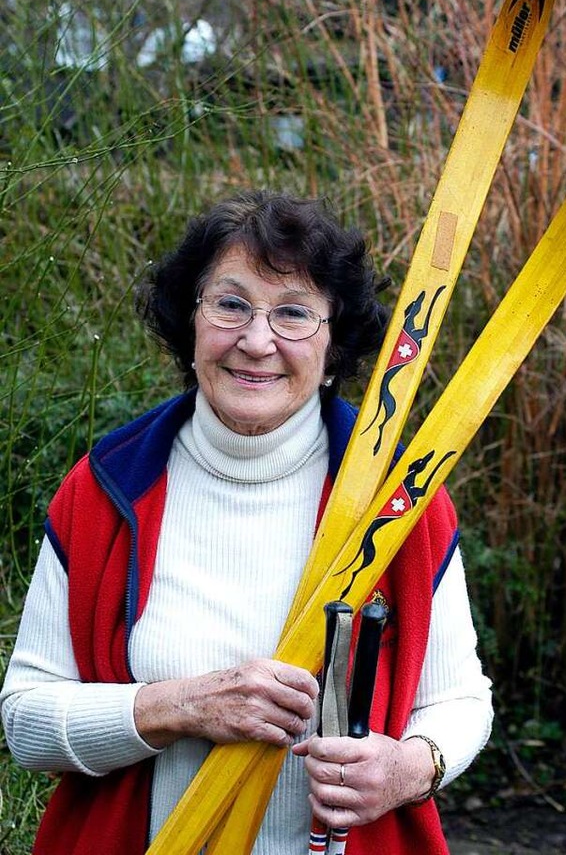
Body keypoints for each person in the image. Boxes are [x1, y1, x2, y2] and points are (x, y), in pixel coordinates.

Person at [1, 191, 493, 855]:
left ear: (334, 340)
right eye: (230, 304)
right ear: (192, 319)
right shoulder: (105, 488)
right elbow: (25, 722)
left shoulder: (402, 501)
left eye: (293, 314)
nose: (256, 341)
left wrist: (413, 767)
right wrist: (178, 707)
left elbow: (462, 702)